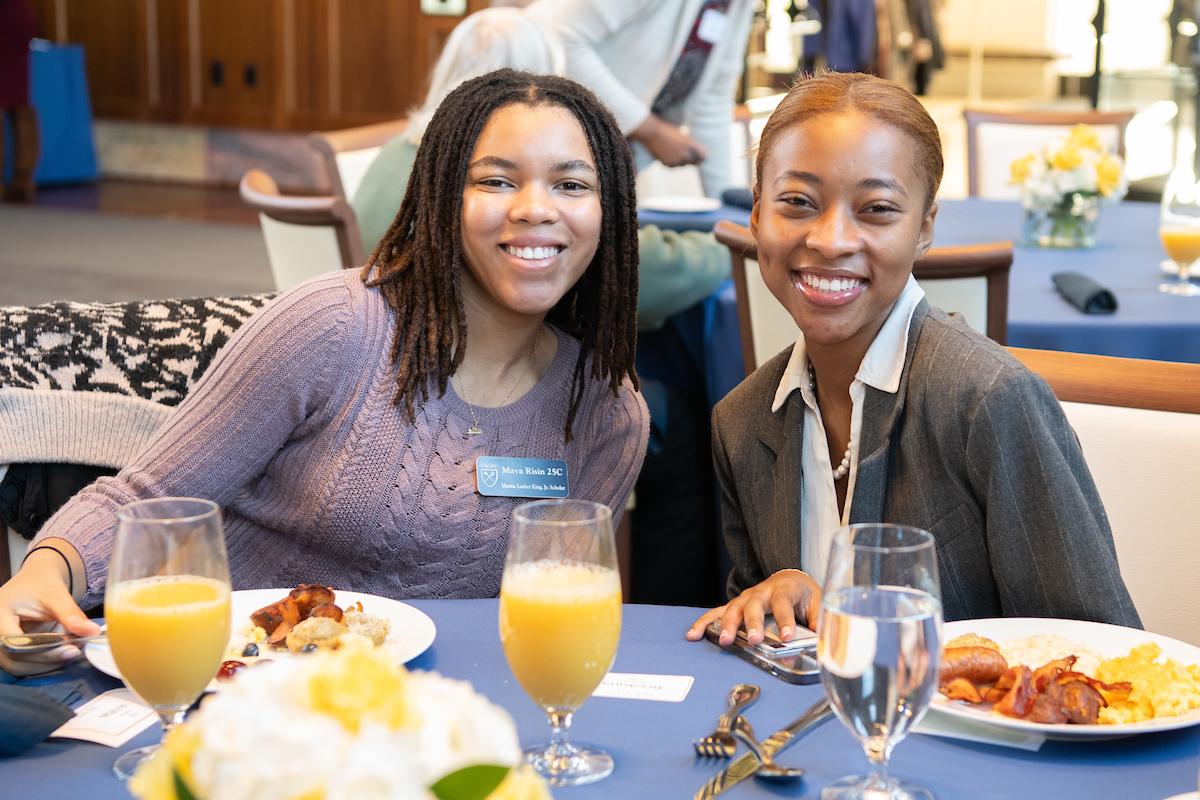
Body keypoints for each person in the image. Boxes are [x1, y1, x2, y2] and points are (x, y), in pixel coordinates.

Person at [0, 69, 650, 676]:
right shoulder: (335, 328)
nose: (535, 208)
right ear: (443, 195)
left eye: (571, 184)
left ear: (608, 211)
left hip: (434, 716)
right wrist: (45, 573)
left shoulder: (605, 413)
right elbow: (147, 499)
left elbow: (560, 613)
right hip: (233, 683)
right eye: (497, 181)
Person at [686, 72, 1141, 648]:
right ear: (757, 216)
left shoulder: (986, 402)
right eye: (797, 202)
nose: (830, 239)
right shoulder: (742, 421)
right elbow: (765, 646)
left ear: (924, 228)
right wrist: (776, 594)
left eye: (876, 209)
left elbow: (1101, 652)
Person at [352, 6, 731, 331]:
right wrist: (730, 253)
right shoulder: (459, 170)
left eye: (569, 185)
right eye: (498, 182)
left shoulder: (393, 153)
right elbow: (635, 275)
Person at [526, 0, 755, 199]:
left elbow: (712, 99)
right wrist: (650, 130)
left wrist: (727, 209)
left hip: (609, 152)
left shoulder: (737, 5)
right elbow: (561, 39)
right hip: (544, 132)